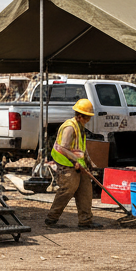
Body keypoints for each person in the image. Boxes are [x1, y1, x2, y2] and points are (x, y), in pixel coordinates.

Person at [44, 98, 98, 229]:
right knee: (68, 190)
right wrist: (74, 161)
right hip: (66, 164)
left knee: (85, 190)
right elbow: (63, 148)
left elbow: (81, 148)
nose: (88, 120)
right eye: (87, 117)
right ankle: (52, 219)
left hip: (78, 164)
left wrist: (89, 163)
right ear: (80, 116)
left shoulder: (80, 128)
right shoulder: (70, 127)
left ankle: (85, 220)